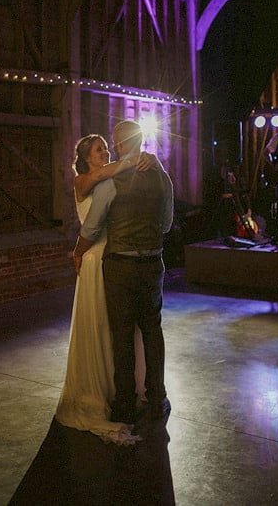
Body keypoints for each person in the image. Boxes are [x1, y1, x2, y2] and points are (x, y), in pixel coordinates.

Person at [55, 134, 158, 445]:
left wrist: (150, 160)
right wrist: (140, 158)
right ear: (87, 157)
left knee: (117, 325)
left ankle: (121, 388)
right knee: (99, 325)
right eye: (99, 149)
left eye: (106, 148)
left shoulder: (110, 176)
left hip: (113, 257)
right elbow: (105, 175)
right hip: (94, 258)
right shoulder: (83, 180)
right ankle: (98, 390)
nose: (105, 152)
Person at [73, 120, 174, 428]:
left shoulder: (108, 184)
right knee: (152, 332)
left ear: (118, 145)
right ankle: (156, 398)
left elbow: (91, 228)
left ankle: (125, 405)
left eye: (112, 144)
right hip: (152, 263)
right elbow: (167, 223)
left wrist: (77, 251)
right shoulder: (162, 177)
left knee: (122, 336)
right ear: (141, 140)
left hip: (120, 265)